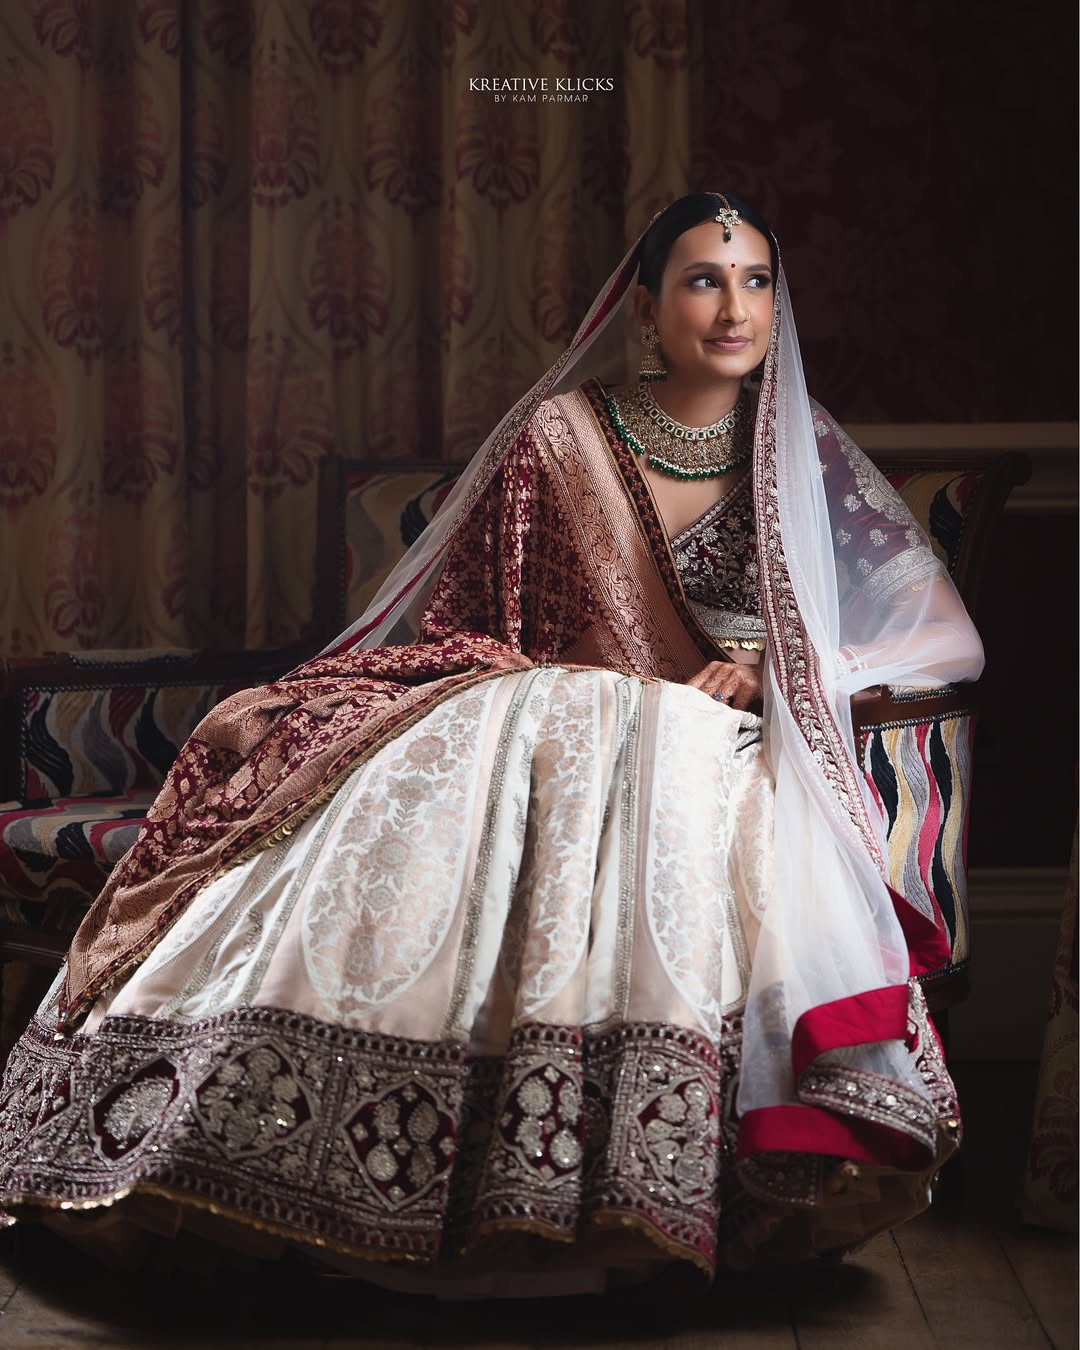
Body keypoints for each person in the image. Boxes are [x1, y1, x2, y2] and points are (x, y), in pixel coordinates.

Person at [0, 193, 983, 1295]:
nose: (733, 308)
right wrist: (593, 692)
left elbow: (937, 633)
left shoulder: (799, 448)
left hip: (723, 737)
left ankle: (645, 1184)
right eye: (703, 280)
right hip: (550, 713)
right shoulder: (561, 434)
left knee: (683, 787)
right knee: (453, 781)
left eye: (756, 280)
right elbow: (477, 619)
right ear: (646, 308)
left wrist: (773, 664)